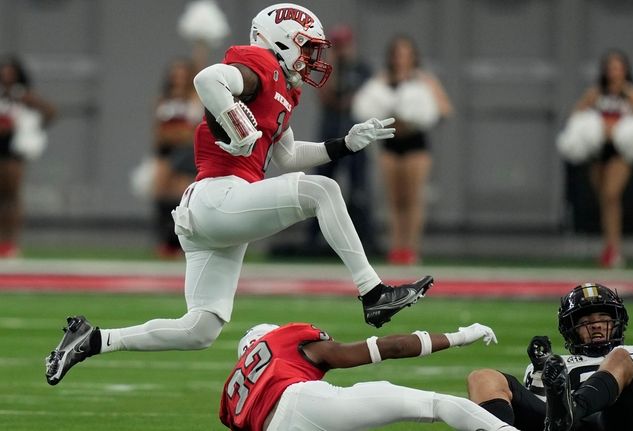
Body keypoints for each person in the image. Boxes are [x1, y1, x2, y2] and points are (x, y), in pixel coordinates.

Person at [44, 3, 433, 386]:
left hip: (215, 211)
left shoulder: (283, 90)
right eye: (308, 48)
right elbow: (207, 79)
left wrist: (345, 143)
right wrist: (235, 120)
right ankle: (373, 291)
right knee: (324, 189)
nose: (313, 59)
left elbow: (288, 155)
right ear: (281, 42)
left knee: (199, 329)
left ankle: (93, 340)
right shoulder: (260, 65)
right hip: (219, 196)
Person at [466, 283, 633, 431]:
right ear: (570, 330)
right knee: (482, 378)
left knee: (620, 358)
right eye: (586, 321)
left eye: (603, 318)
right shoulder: (557, 364)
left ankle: (570, 410)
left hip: (618, 426)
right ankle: (566, 414)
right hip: (566, 427)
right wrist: (538, 371)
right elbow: (541, 418)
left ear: (617, 323)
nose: (595, 325)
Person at [220, 321, 518, 430]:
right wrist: (459, 337)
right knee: (433, 404)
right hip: (301, 401)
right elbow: (392, 347)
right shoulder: (284, 340)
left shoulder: (232, 394)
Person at [352, 35, 454, 265]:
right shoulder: (381, 80)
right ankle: (395, 247)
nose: (401, 58)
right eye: (397, 53)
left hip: (416, 144)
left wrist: (420, 117)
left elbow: (445, 110)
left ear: (413, 56)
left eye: (406, 53)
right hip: (390, 143)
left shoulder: (424, 80)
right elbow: (364, 105)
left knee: (413, 198)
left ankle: (411, 248)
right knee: (394, 199)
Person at [564, 50, 633, 268]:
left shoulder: (632, 94)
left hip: (620, 151)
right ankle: (608, 247)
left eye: (618, 67)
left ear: (626, 70)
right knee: (603, 199)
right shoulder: (595, 93)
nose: (614, 71)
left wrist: (618, 129)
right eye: (610, 67)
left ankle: (616, 249)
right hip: (598, 150)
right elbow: (576, 114)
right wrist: (592, 127)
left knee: (612, 195)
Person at [300, 25, 379, 256]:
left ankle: (365, 241)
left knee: (359, 191)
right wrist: (333, 66)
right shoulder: (327, 69)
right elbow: (327, 98)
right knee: (321, 185)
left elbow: (361, 100)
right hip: (331, 137)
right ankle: (313, 241)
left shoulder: (363, 69)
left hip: (356, 141)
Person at [0, 55, 56, 258]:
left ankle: (10, 242)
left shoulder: (23, 95)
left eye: (10, 72)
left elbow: (51, 112)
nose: (6, 76)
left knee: (11, 196)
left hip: (14, 151)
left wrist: (32, 122)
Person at [151, 55, 205, 259]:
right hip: (166, 151)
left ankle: (180, 241)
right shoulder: (162, 100)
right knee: (160, 194)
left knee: (181, 196)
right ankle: (165, 241)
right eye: (175, 74)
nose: (178, 78)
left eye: (183, 74)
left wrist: (201, 47)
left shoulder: (193, 98)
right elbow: (157, 130)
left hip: (185, 150)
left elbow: (192, 129)